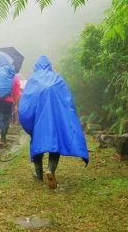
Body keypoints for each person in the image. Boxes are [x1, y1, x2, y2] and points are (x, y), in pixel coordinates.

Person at [18, 55, 89, 190]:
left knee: (37, 142)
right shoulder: (57, 79)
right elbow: (67, 101)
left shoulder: (34, 78)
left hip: (39, 119)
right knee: (55, 144)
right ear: (49, 66)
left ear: (37, 66)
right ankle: (50, 169)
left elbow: (26, 102)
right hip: (56, 119)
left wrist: (29, 121)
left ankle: (38, 174)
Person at [0, 65, 21, 143]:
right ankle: (3, 136)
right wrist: (16, 105)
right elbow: (17, 93)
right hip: (9, 101)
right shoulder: (15, 77)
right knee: (6, 119)